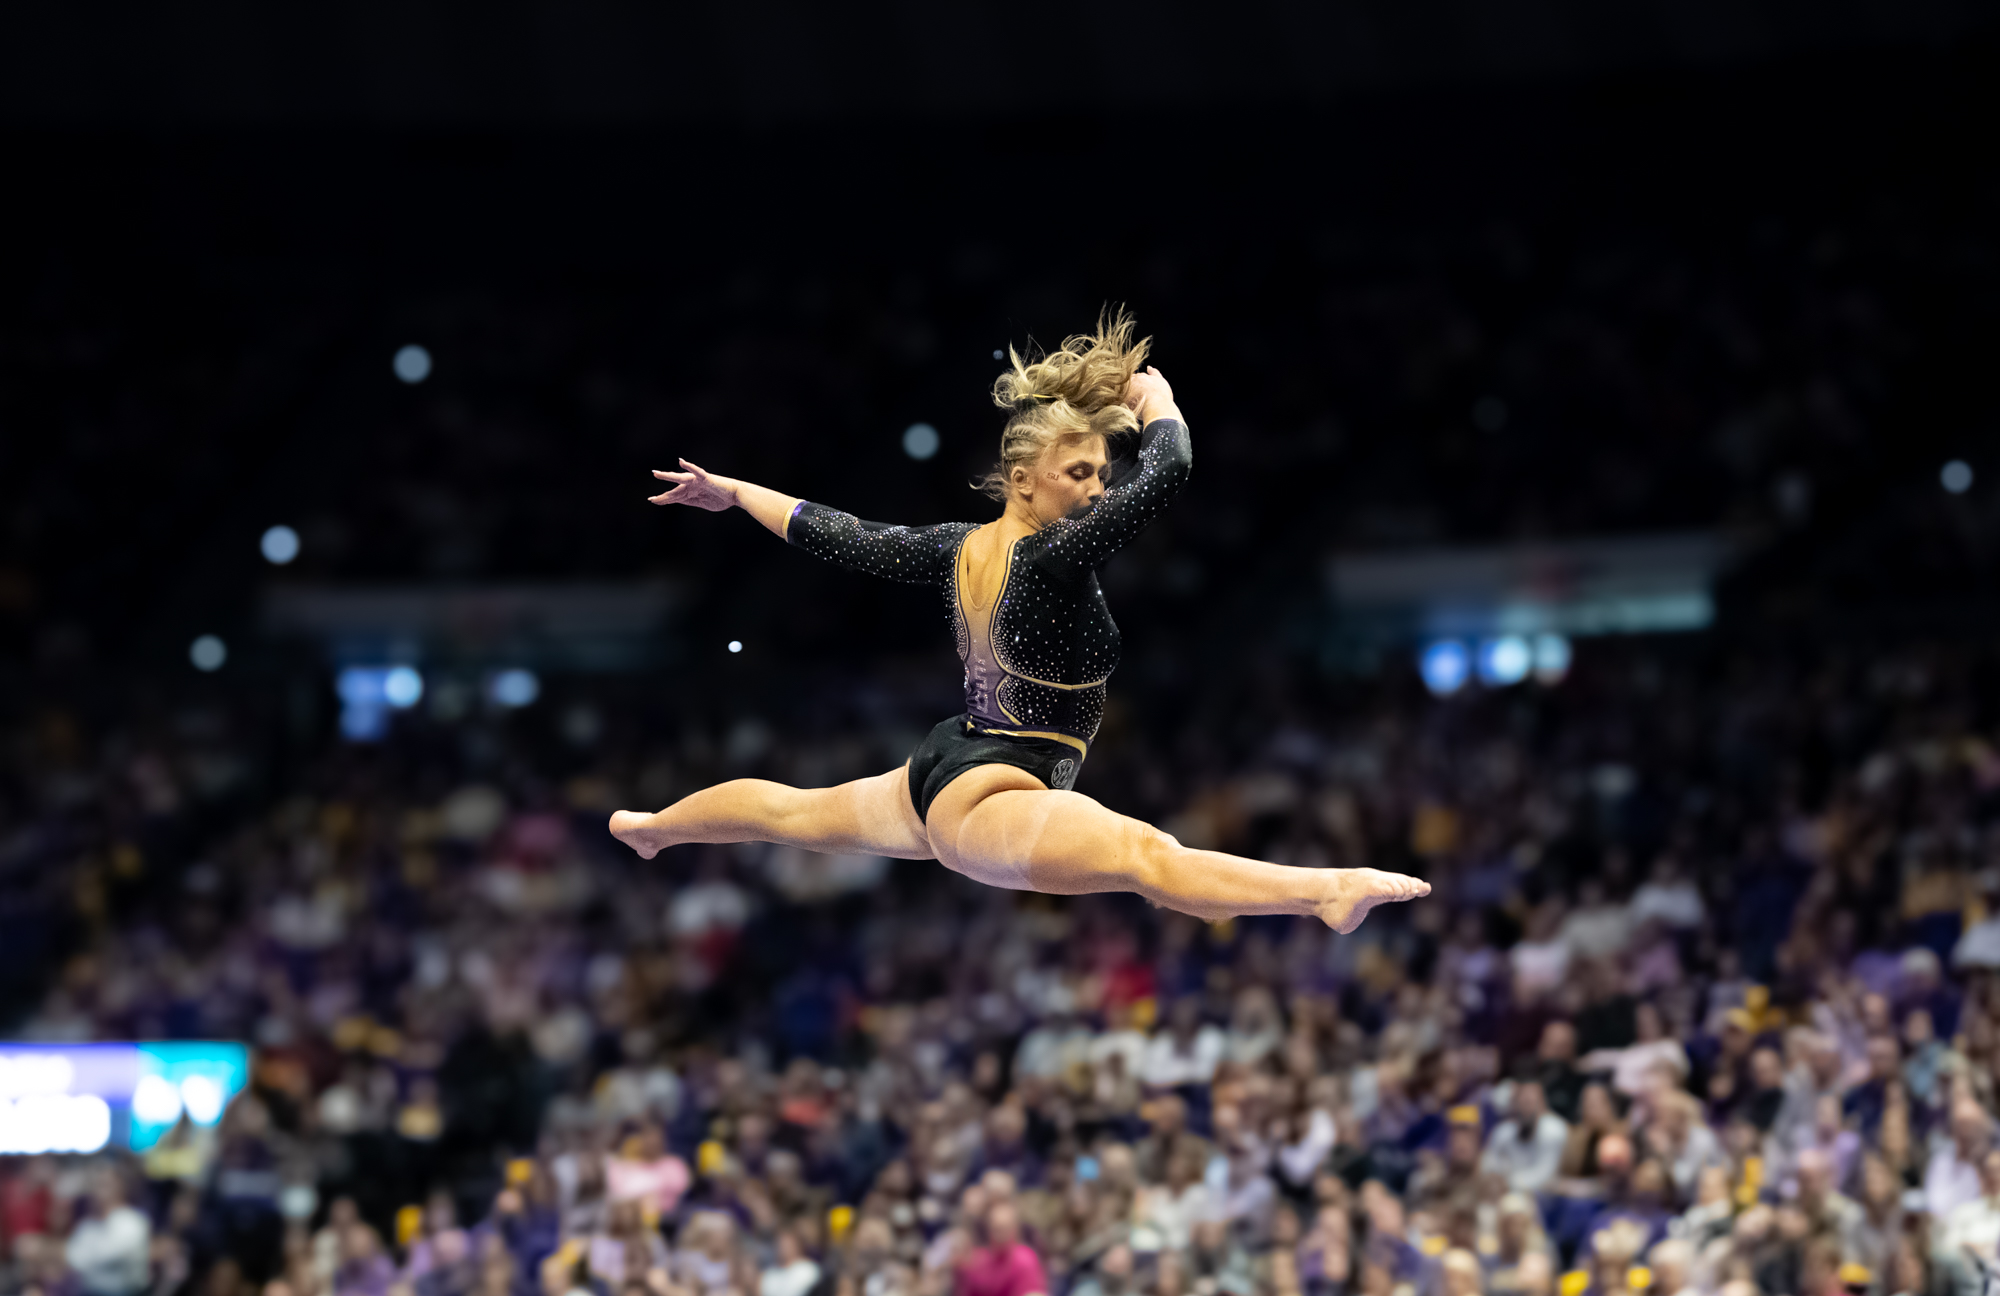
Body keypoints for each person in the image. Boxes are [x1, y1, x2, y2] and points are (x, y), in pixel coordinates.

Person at [609, 311, 1428, 931]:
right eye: (1079, 472)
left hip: (953, 758)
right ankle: (1325, 890)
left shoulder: (954, 547)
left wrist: (736, 492)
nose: (1098, 489)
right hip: (991, 791)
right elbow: (1171, 468)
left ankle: (651, 829)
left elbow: (836, 531)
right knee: (1149, 860)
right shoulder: (1052, 558)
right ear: (1021, 478)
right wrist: (1158, 400)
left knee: (791, 814)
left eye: (1102, 472)